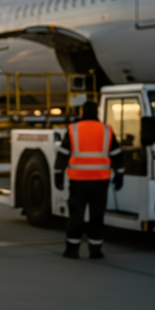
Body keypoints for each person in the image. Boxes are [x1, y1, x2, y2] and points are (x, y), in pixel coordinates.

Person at [54, 101, 124, 260]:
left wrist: (58, 174)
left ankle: (72, 250)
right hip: (100, 182)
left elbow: (64, 153)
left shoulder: (73, 129)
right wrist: (120, 174)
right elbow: (117, 154)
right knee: (97, 216)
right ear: (97, 112)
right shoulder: (106, 130)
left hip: (78, 181)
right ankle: (95, 250)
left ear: (82, 112)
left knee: (76, 216)